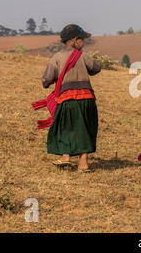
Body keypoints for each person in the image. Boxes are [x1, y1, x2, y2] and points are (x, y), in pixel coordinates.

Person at [41, 24, 101, 172]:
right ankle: (83, 163)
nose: (84, 43)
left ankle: (66, 156)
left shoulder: (57, 57)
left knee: (65, 127)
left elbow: (47, 79)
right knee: (85, 128)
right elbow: (96, 68)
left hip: (67, 100)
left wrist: (48, 83)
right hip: (87, 99)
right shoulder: (82, 56)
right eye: (82, 40)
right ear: (75, 40)